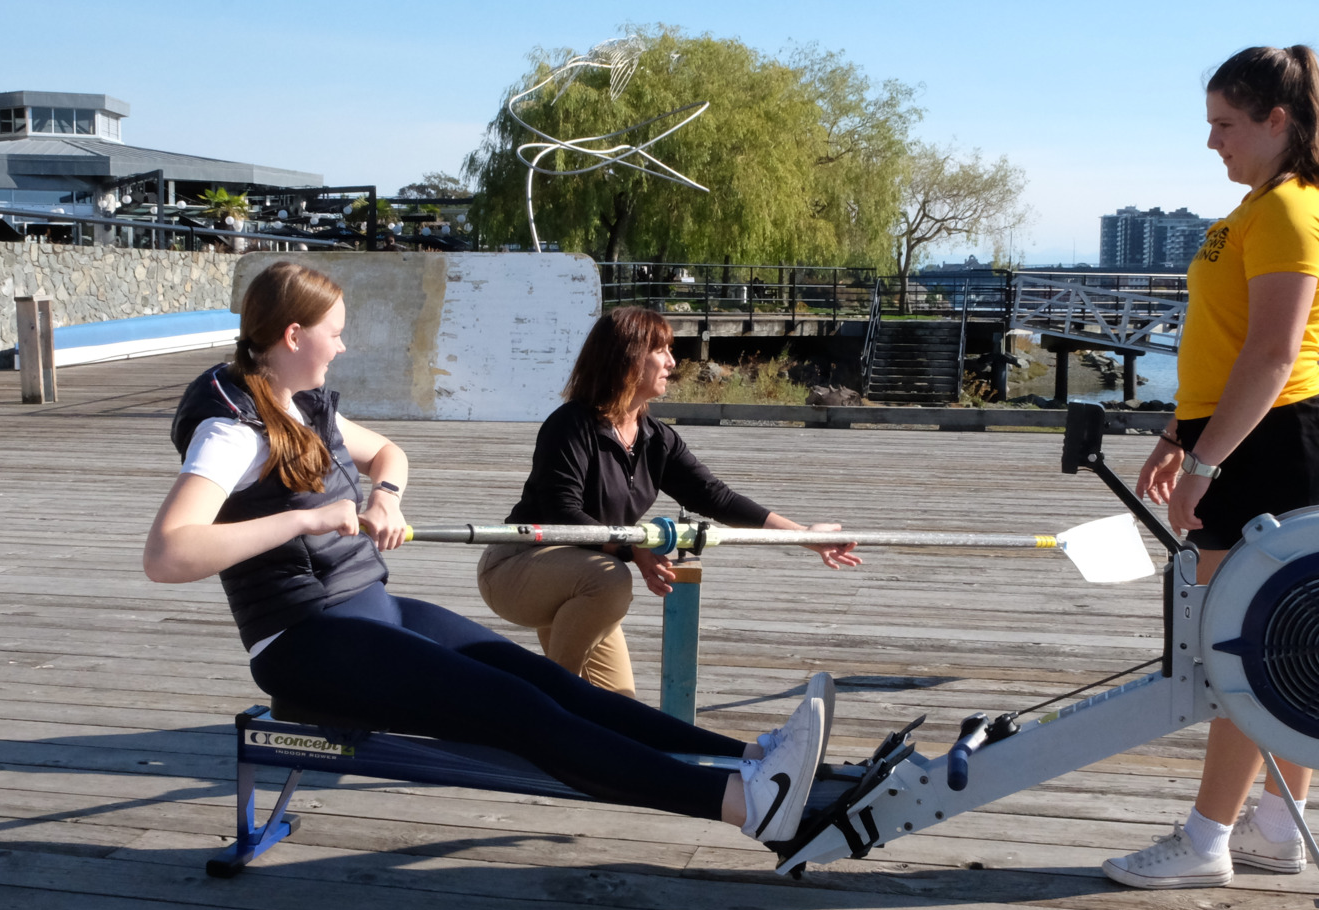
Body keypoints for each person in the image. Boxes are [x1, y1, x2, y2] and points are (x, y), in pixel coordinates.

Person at [144, 261, 828, 845]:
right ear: (295, 335)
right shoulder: (230, 432)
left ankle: (753, 756)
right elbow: (169, 554)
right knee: (517, 711)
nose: (342, 346)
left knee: (555, 685)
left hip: (366, 608)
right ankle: (748, 806)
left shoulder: (301, 403)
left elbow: (389, 451)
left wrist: (385, 496)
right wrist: (306, 522)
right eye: (336, 332)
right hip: (304, 643)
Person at [1101, 45, 1319, 889]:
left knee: (1242, 651)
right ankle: (1276, 829)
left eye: (1226, 125)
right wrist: (1180, 433)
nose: (1213, 142)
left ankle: (1207, 838)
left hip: (1276, 443)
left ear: (1277, 122)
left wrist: (1209, 458)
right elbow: (1223, 347)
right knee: (1279, 648)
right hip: (1251, 436)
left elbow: (1275, 353)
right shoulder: (1256, 210)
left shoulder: (1289, 211)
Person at [477, 306, 861, 698]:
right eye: (660, 350)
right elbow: (564, 514)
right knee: (610, 579)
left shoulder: (656, 439)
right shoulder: (570, 425)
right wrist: (633, 549)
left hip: (584, 578)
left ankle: (574, 719)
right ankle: (549, 707)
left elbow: (716, 497)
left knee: (622, 710)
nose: (672, 362)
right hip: (516, 566)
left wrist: (800, 536)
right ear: (626, 356)